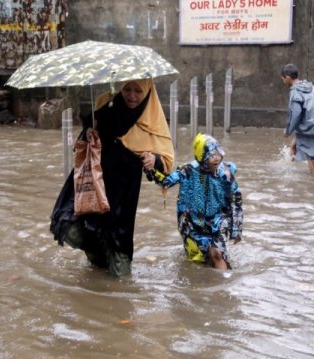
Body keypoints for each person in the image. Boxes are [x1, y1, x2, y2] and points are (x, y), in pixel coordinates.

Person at [50, 79, 174, 276]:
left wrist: (153, 160)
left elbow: (165, 166)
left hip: (123, 193)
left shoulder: (152, 120)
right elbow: (84, 143)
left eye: (137, 91)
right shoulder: (106, 104)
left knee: (118, 255)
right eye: (127, 90)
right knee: (73, 227)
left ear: (147, 92)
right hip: (94, 184)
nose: (132, 96)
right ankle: (96, 279)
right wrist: (89, 132)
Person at [149, 133, 242, 269]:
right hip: (191, 222)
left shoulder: (226, 173)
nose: (217, 158)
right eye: (211, 155)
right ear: (201, 156)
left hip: (218, 220)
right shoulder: (187, 171)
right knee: (197, 262)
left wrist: (236, 229)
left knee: (217, 254)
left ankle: (223, 287)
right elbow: (165, 182)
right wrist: (151, 168)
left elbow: (236, 200)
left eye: (218, 154)